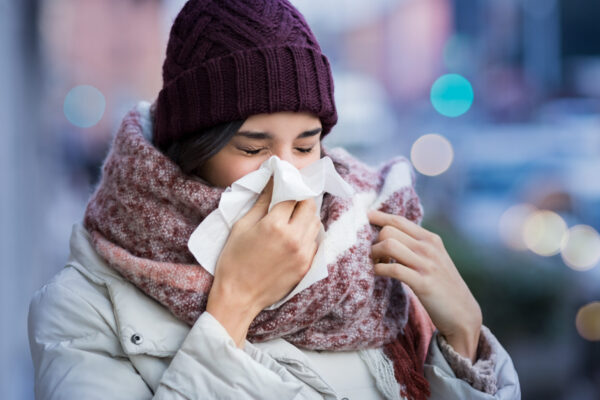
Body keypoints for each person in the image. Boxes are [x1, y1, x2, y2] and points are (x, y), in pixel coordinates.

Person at [28, 1, 521, 399]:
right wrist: (233, 308)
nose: (288, 173)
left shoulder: (367, 253)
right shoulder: (83, 308)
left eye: (306, 146)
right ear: (190, 149)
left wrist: (463, 344)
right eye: (253, 147)